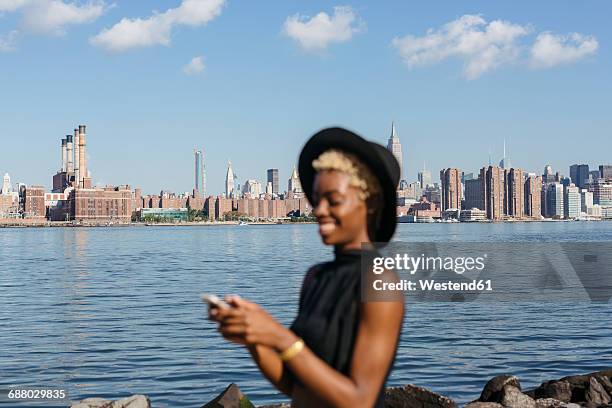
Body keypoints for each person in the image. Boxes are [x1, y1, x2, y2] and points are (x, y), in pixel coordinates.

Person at [209, 127, 404, 407]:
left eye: (333, 201)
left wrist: (279, 336)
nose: (318, 210)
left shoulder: (379, 280)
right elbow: (293, 384)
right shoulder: (315, 277)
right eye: (316, 199)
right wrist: (255, 337)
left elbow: (361, 399)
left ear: (369, 204)